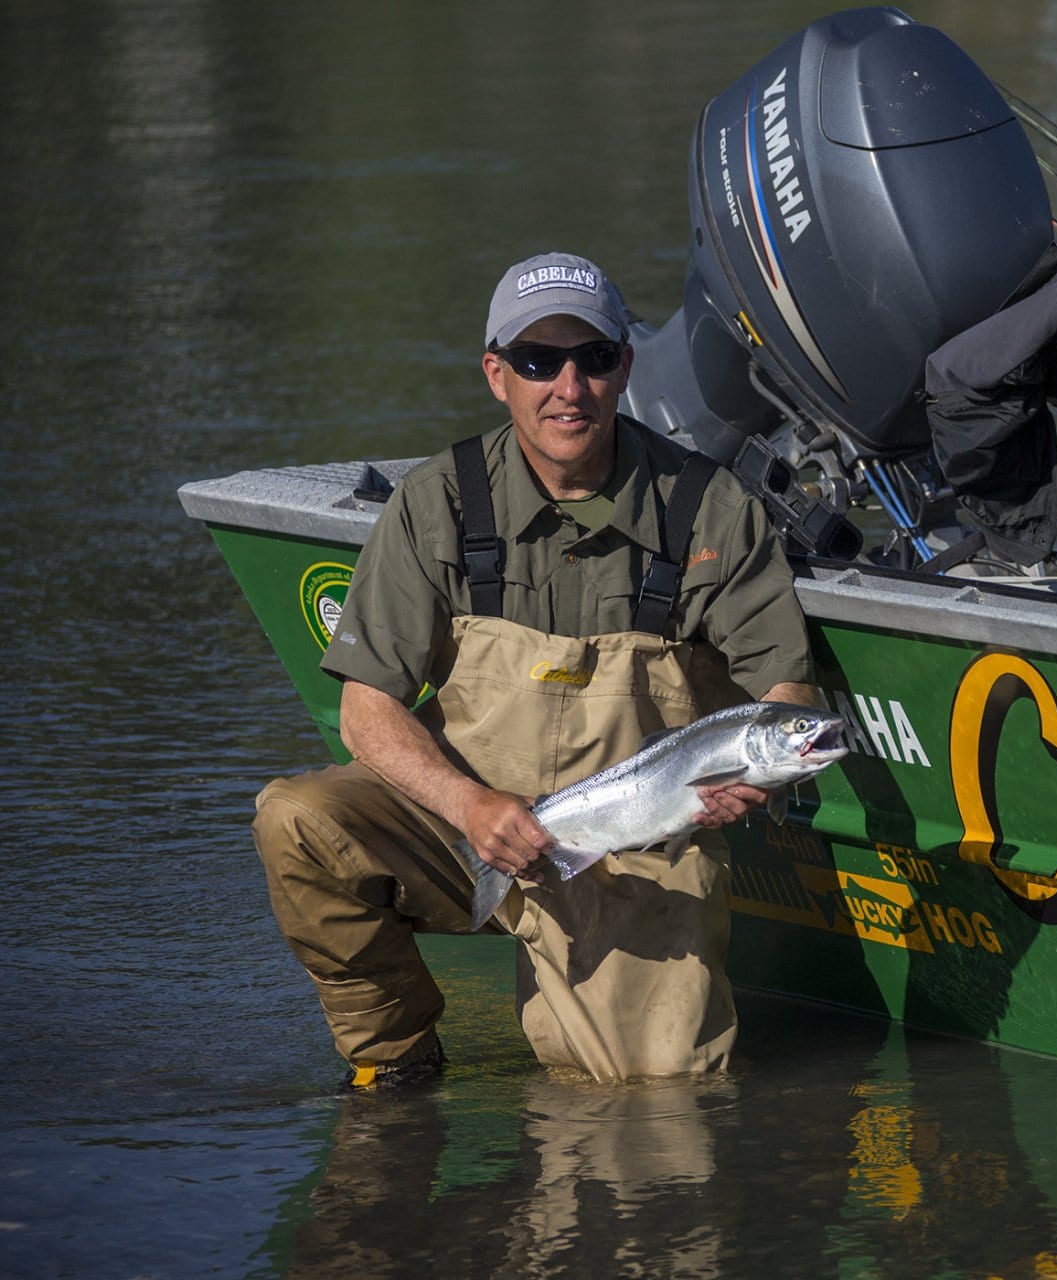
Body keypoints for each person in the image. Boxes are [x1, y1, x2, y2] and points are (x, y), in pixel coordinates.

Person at [252, 251, 815, 1087]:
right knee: (297, 819)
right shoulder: (436, 501)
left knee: (655, 1106)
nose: (568, 386)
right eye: (536, 360)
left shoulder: (711, 508)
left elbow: (787, 688)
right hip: (467, 825)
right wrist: (471, 806)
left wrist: (758, 772)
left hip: (632, 850)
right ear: (496, 374)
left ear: (624, 366)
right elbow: (367, 712)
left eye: (591, 358)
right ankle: (398, 1065)